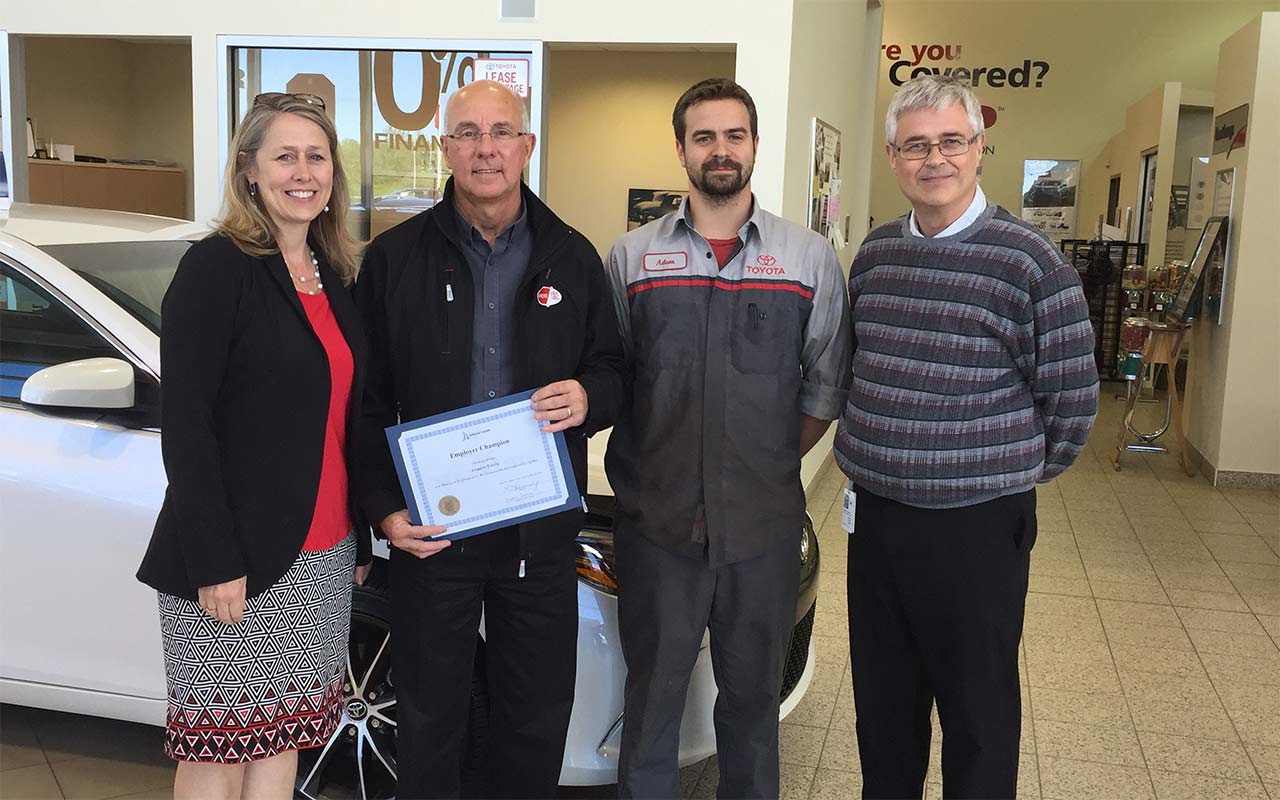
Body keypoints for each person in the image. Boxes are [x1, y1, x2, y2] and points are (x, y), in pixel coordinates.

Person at [352, 79, 626, 799]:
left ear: (527, 146)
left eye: (501, 131)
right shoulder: (394, 260)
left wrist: (591, 395)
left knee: (533, 718)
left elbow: (614, 367)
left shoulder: (571, 255)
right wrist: (382, 509)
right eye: (467, 133)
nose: (485, 149)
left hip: (537, 530)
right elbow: (365, 399)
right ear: (443, 148)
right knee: (429, 716)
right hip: (432, 532)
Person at [836, 75, 1099, 799]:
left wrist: (995, 472)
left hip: (978, 528)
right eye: (916, 145)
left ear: (980, 149)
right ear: (892, 156)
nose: (935, 159)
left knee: (978, 717)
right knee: (883, 714)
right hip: (879, 521)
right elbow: (862, 364)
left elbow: (1072, 403)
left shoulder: (1031, 264)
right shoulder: (877, 255)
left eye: (952, 141)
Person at [604, 77, 852, 799]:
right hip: (657, 529)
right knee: (650, 703)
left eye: (733, 135)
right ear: (681, 148)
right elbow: (613, 378)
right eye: (704, 136)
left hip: (760, 530)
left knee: (751, 709)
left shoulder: (806, 259)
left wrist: (762, 463)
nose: (720, 149)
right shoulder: (632, 257)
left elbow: (823, 390)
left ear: (753, 145)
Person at [136, 92, 371, 799]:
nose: (304, 172)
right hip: (236, 561)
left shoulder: (334, 275)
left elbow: (341, 420)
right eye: (284, 156)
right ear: (248, 171)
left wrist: (355, 537)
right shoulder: (217, 268)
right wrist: (215, 561)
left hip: (322, 554)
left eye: (317, 156)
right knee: (220, 747)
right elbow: (188, 423)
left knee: (285, 739)